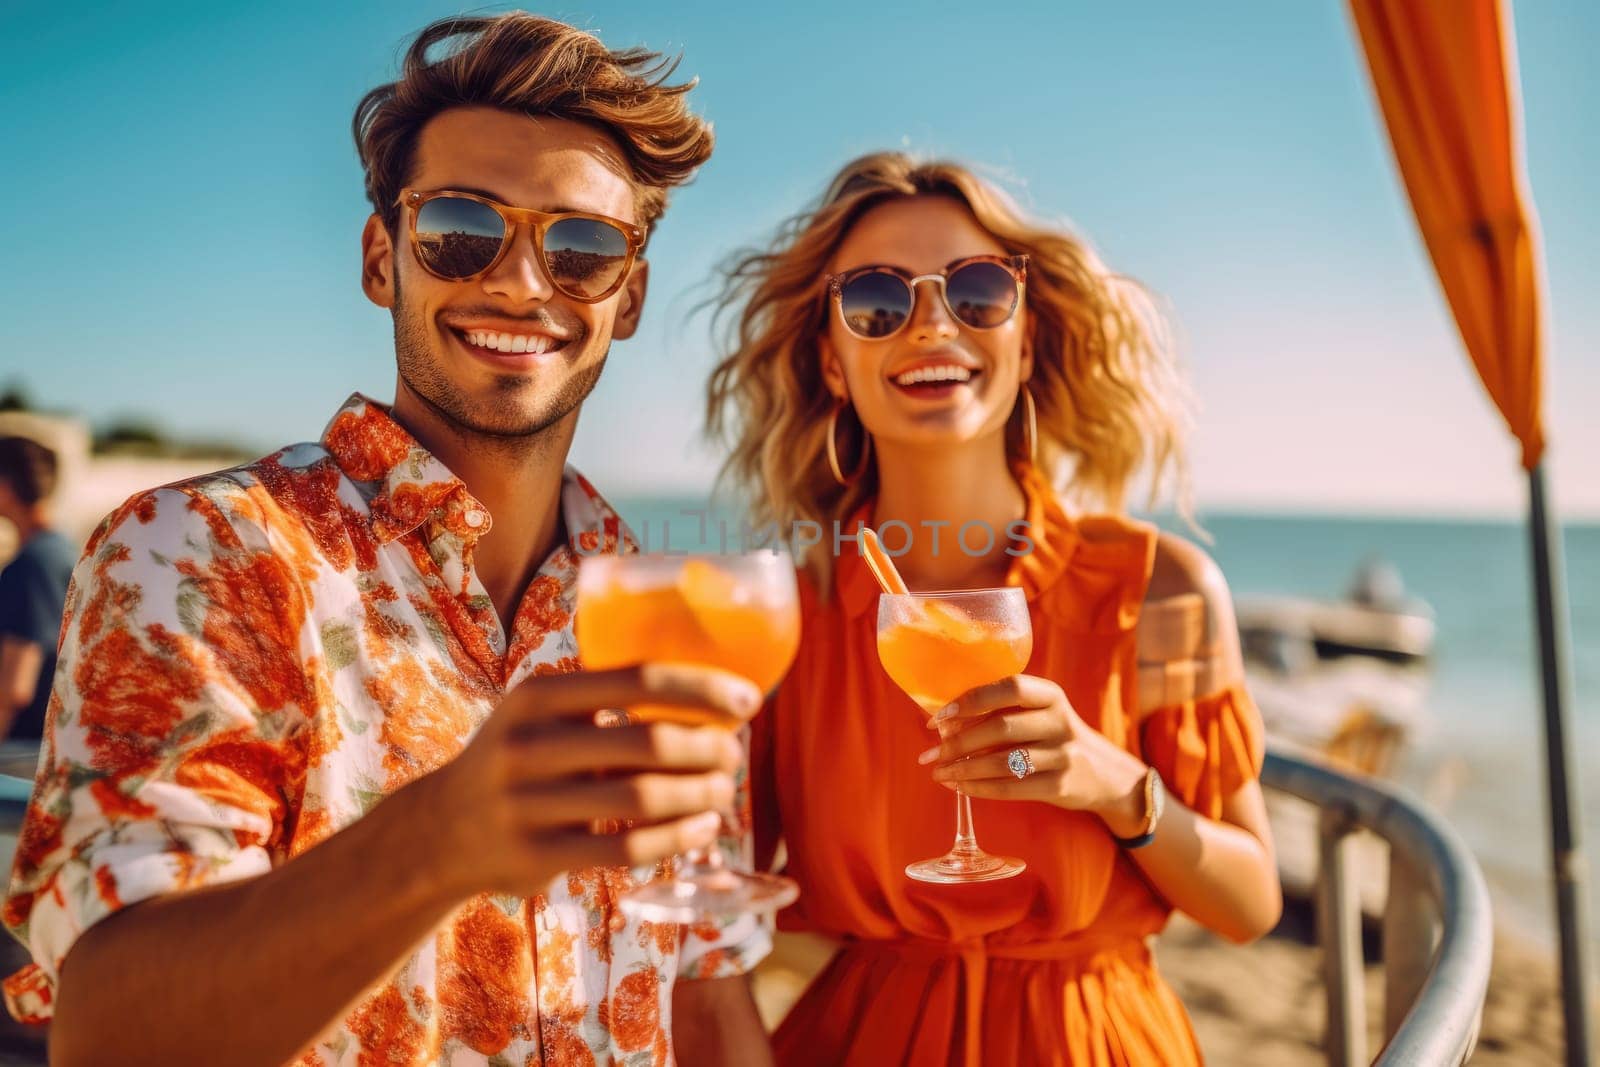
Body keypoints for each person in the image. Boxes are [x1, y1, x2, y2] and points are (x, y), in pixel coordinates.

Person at [3, 15, 774, 1066]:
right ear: (382, 257)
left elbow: (709, 996)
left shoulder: (664, 618)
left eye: (583, 245)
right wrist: (436, 839)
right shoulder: (201, 553)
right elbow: (112, 1036)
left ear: (626, 295)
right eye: (461, 227)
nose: (521, 279)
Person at [706, 153, 1282, 1064]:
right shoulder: (789, 610)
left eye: (976, 291)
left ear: (1027, 338)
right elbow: (716, 894)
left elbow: (1250, 904)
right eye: (878, 303)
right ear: (832, 358)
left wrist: (1113, 785)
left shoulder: (1159, 587)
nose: (932, 323)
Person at [0, 436, 75, 743]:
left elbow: (15, 687)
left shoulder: (33, 564)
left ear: (5, 487)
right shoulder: (62, 550)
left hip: (20, 759)